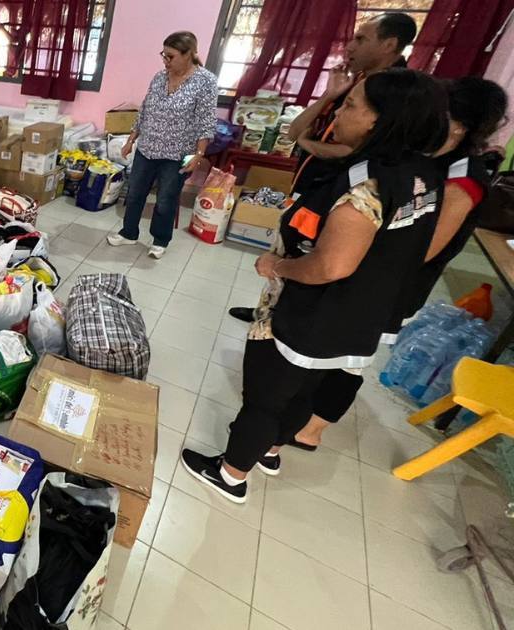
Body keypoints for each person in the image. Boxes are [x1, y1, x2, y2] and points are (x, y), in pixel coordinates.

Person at [181, 68, 449, 503]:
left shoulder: (368, 186)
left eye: (351, 106)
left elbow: (332, 265)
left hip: (314, 313)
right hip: (361, 314)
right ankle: (270, 451)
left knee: (265, 396)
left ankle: (231, 474)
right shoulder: (424, 176)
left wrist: (278, 266)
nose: (339, 113)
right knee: (305, 391)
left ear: (380, 120)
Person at [286, 76, 509, 451]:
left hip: (391, 286)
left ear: (460, 126)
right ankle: (296, 416)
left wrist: (352, 247)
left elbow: (422, 248)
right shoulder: (427, 157)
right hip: (365, 273)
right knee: (330, 351)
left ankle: (312, 430)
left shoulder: (463, 179)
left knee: (349, 361)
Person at [228, 12, 417, 323]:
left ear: (389, 44)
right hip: (311, 184)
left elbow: (358, 151)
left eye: (361, 39)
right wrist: (331, 95)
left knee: (312, 260)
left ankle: (283, 322)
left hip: (340, 196)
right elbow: (294, 132)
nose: (349, 46)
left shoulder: (396, 93)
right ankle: (269, 310)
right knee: (288, 250)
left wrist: (309, 144)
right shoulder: (353, 84)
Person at [106, 31, 217, 260]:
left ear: (188, 54)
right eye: (163, 55)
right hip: (147, 148)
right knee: (135, 194)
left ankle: (160, 240)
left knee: (166, 200)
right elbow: (145, 111)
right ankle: (129, 233)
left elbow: (206, 121)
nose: (165, 61)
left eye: (171, 56)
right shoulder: (159, 77)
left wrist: (199, 154)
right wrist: (130, 140)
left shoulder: (205, 81)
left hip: (178, 154)